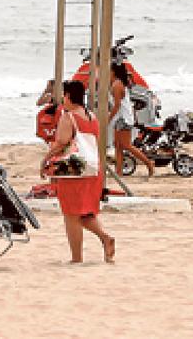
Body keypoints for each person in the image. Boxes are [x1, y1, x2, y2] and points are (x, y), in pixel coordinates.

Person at [45, 79, 115, 264]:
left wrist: (45, 159)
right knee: (85, 212)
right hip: (93, 168)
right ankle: (104, 236)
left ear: (68, 96)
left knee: (71, 214)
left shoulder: (68, 117)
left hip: (75, 171)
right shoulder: (91, 117)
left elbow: (61, 143)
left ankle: (77, 257)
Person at [111, 63, 154, 177]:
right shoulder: (119, 84)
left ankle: (148, 163)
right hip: (122, 118)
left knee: (126, 145)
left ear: (113, 72)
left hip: (123, 118)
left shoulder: (117, 85)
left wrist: (108, 118)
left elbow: (116, 105)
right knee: (118, 145)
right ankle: (118, 172)